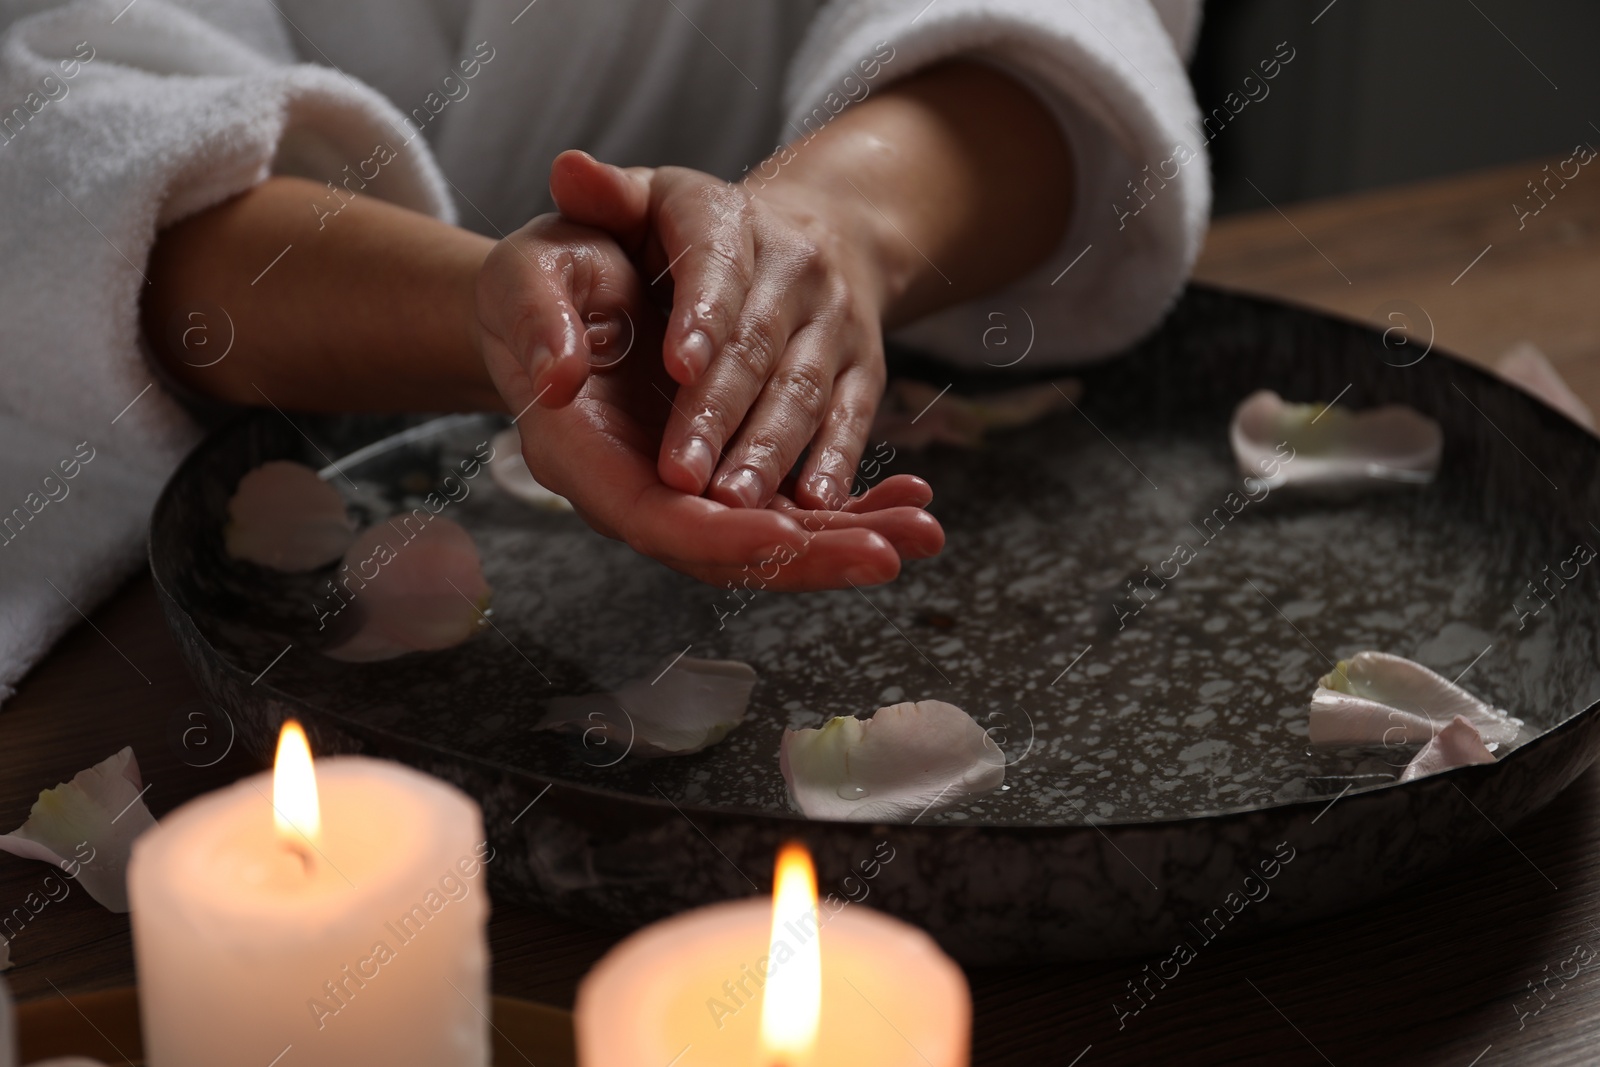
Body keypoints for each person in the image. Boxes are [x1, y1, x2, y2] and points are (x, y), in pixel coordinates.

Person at [0, 0, 1208, 699]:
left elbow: (1067, 27)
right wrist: (508, 321)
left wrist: (822, 234)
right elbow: (68, 149)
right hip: (158, 573)